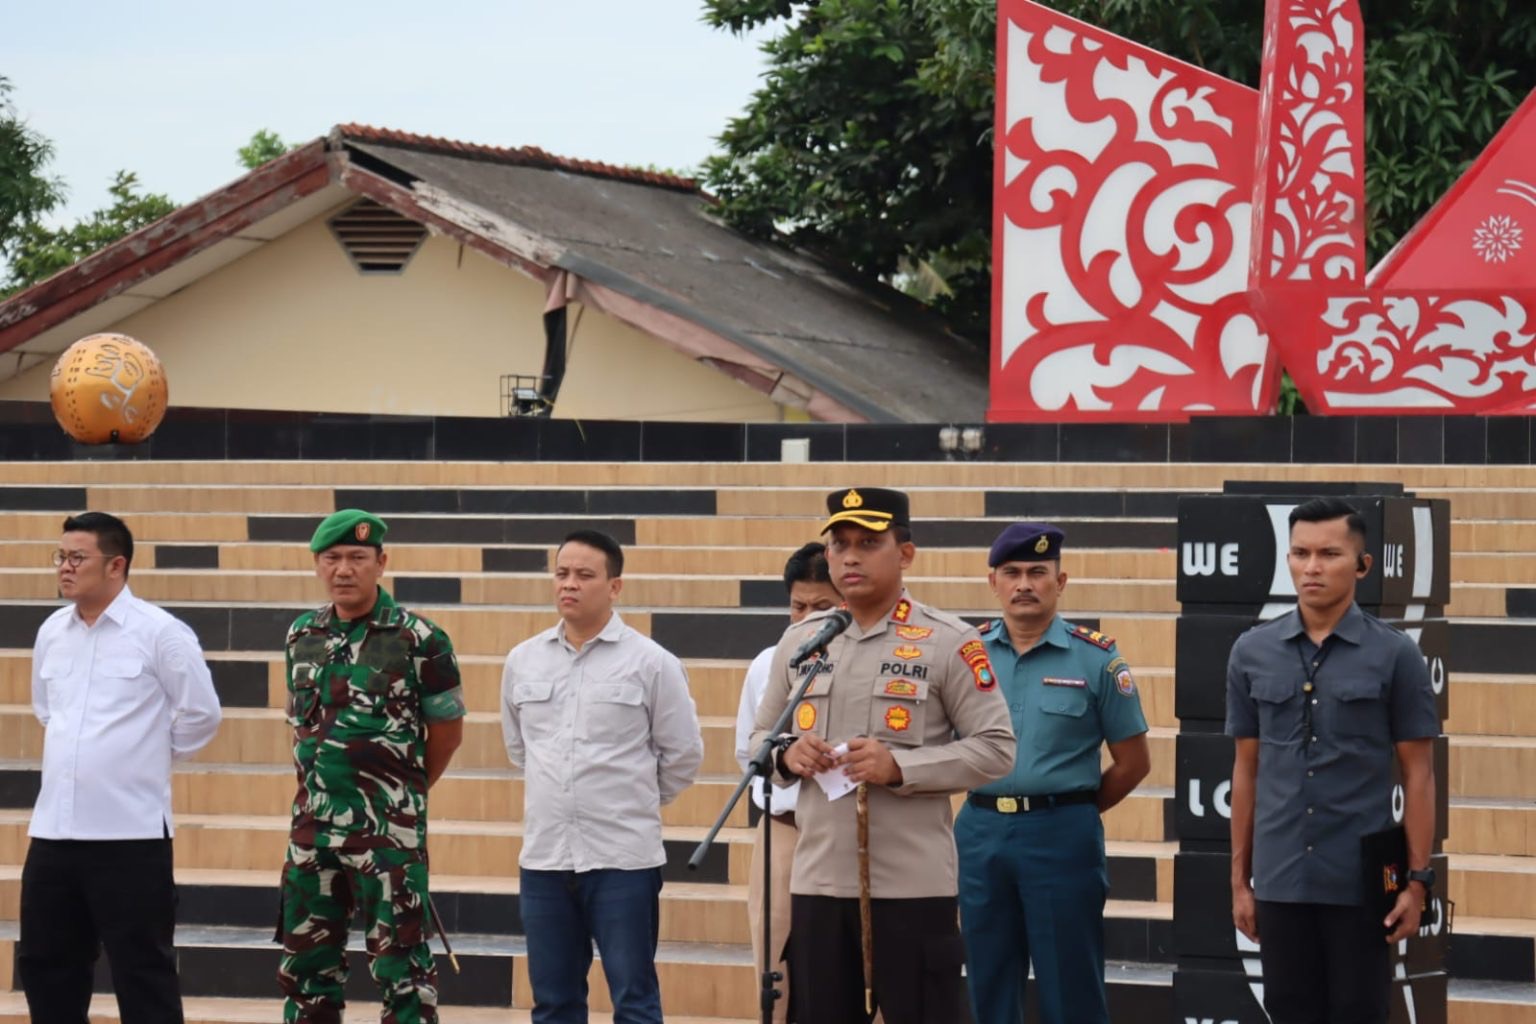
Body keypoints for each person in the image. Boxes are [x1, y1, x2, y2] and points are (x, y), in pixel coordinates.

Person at [751, 487, 1016, 1024]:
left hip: (910, 885)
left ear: (906, 553)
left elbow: (996, 749)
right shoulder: (803, 642)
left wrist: (901, 767)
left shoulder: (949, 642)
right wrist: (787, 755)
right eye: (840, 544)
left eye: (868, 543)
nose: (850, 556)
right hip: (819, 880)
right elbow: (761, 739)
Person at [1227, 497, 1439, 1024]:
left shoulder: (1396, 655)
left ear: (1363, 566)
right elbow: (1246, 770)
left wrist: (1417, 882)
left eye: (1329, 554)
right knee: (1289, 1011)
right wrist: (1239, 882)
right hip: (1280, 879)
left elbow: (1419, 774)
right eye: (1300, 553)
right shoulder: (1251, 651)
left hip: (1361, 883)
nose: (1312, 567)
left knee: (1359, 1012)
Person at [20, 511, 223, 1024]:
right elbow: (47, 710)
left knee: (143, 974)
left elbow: (202, 714)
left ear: (116, 565)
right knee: (47, 967)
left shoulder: (160, 632)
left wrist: (147, 753)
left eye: (76, 557)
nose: (64, 567)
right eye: (60, 557)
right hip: (53, 835)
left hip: (129, 837)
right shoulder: (52, 631)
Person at [501, 529, 704, 1024]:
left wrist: (625, 801)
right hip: (546, 859)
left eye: (584, 575)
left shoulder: (652, 663)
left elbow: (682, 755)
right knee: (553, 1004)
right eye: (562, 573)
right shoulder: (522, 659)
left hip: (622, 860)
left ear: (614, 587)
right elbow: (519, 748)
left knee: (634, 1001)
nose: (569, 584)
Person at [956, 522, 1151, 1024]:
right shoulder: (964, 655)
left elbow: (1133, 763)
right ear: (993, 582)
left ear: (1059, 583)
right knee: (988, 979)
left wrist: (1070, 807)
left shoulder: (1097, 659)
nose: (1024, 583)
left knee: (1071, 986)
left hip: (1062, 835)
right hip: (980, 831)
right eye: (1012, 572)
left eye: (1037, 572)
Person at [277, 508, 466, 1024]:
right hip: (313, 832)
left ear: (381, 563)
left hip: (388, 836)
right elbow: (300, 727)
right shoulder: (301, 635)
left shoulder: (421, 639)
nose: (344, 569)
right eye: (332, 558)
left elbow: (447, 733)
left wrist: (402, 795)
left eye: (357, 558)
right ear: (317, 565)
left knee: (401, 971)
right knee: (306, 969)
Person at [733, 542, 843, 1024]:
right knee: (774, 969)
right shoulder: (768, 662)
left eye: (822, 607)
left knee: (849, 975)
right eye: (798, 606)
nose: (807, 618)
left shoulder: (870, 661)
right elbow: (747, 750)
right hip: (783, 827)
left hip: (848, 833)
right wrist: (786, 757)